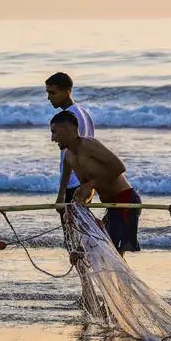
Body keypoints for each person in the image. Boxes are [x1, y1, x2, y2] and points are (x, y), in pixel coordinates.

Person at [50, 110, 142, 255]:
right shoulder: (68, 156)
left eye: (54, 132)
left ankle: (119, 278)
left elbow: (119, 167)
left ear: (69, 130)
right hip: (110, 207)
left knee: (114, 253)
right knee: (99, 248)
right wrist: (75, 206)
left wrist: (91, 184)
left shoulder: (89, 145)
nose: (52, 138)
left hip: (125, 200)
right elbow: (84, 187)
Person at [45, 72, 95, 205]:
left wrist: (61, 194)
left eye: (53, 93)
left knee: (70, 225)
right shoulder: (84, 113)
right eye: (48, 93)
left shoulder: (68, 118)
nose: (49, 97)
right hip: (85, 183)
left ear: (67, 92)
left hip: (73, 184)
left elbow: (68, 157)